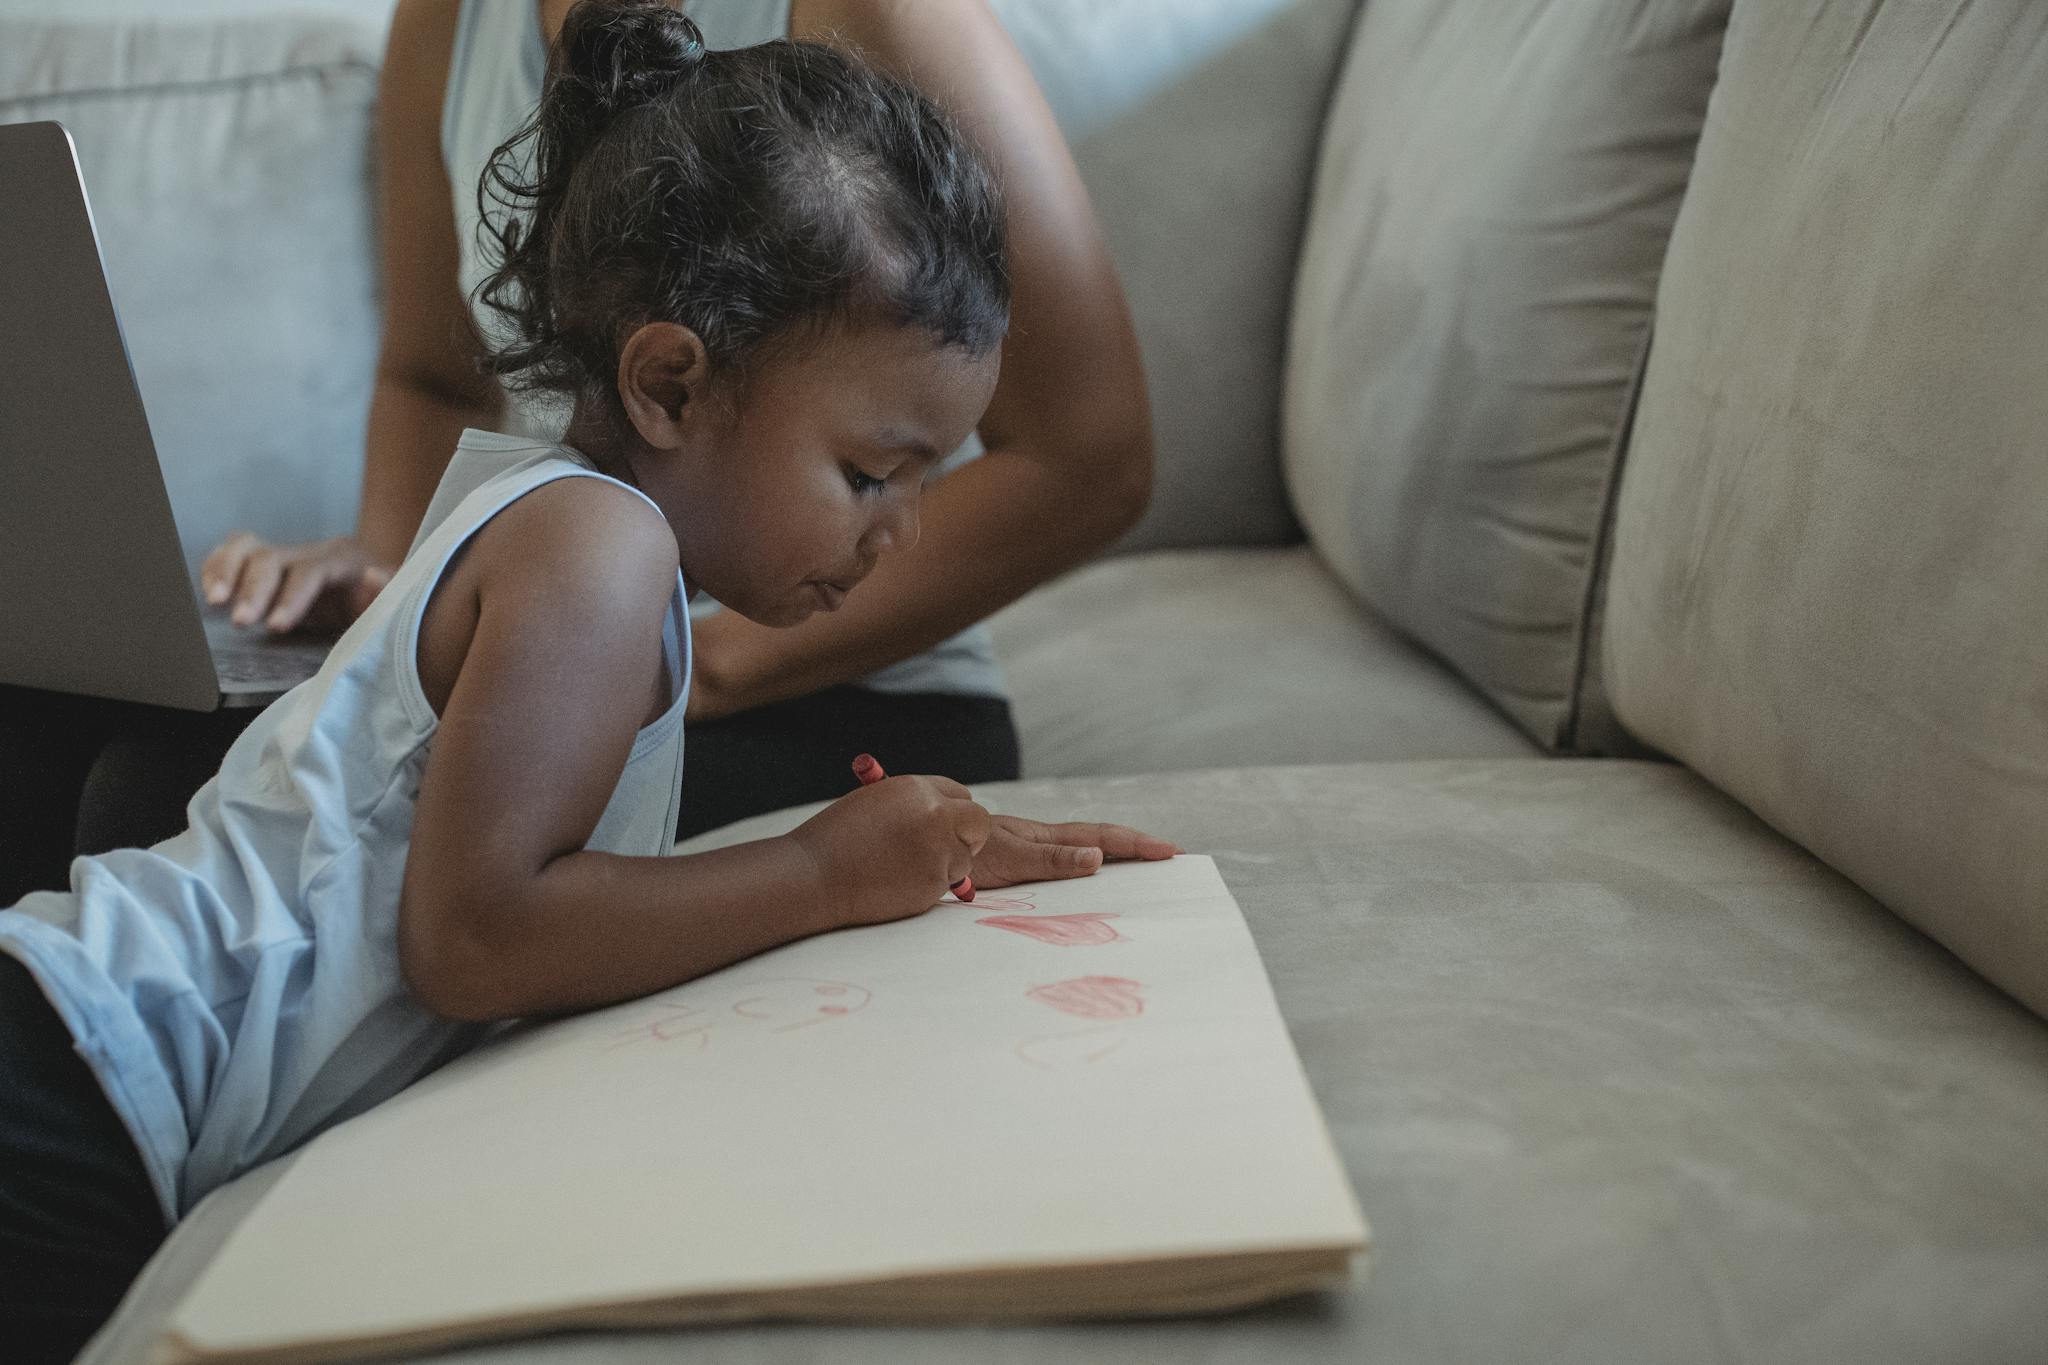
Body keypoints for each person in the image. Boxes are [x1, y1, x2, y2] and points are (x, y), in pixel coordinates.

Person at [0, 10, 1178, 1359]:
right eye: (870, 473)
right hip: (76, 1099)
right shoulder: (601, 557)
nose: (901, 532)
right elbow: (477, 935)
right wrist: (825, 871)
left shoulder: (569, 524)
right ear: (670, 381)